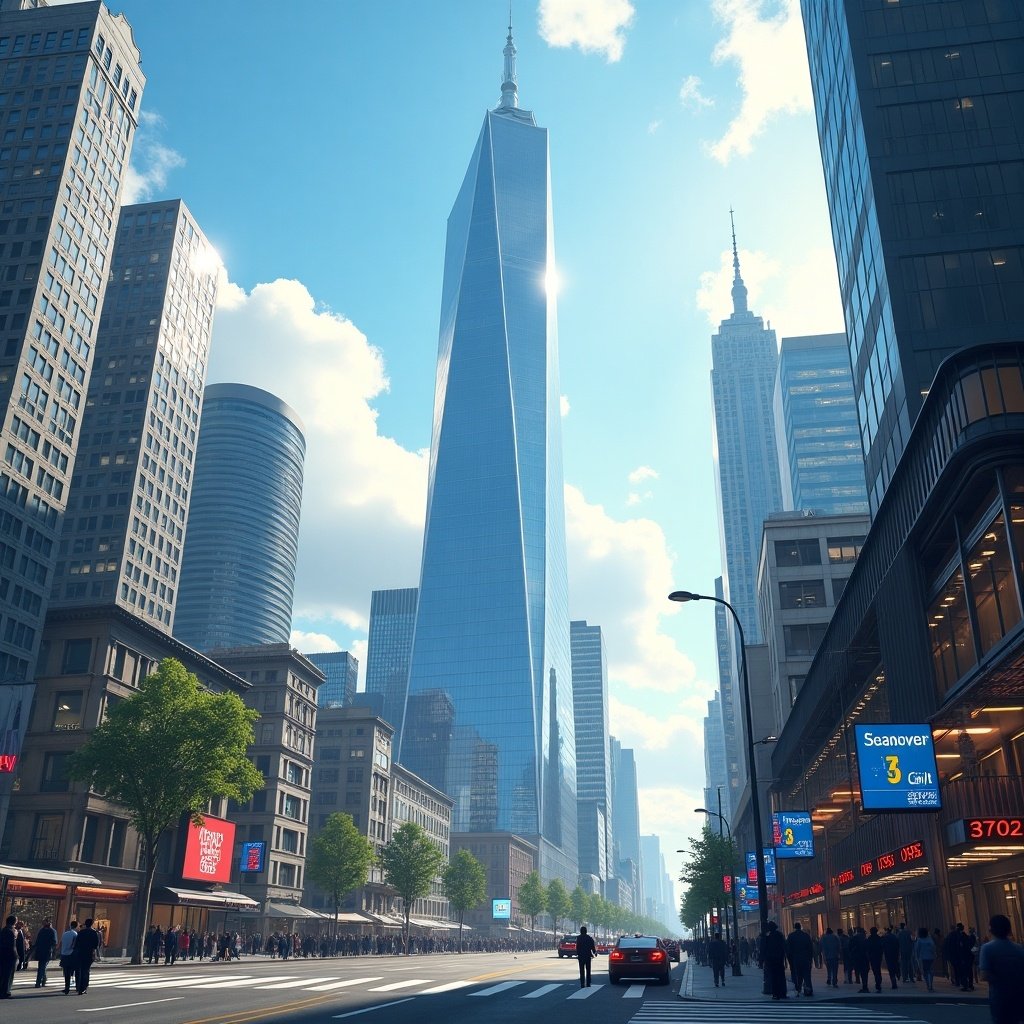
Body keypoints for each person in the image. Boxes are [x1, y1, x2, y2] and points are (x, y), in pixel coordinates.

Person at [979, 913, 1024, 1024]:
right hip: (1019, 995)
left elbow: (984, 975)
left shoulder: (987, 948)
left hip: (999, 996)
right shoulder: (1019, 948)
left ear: (991, 929)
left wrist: (1000, 978)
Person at [72, 918, 101, 995]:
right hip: (89, 953)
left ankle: (78, 986)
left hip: (80, 953)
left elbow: (76, 943)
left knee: (79, 970)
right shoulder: (94, 933)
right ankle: (84, 987)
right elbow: (96, 945)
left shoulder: (81, 932)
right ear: (92, 924)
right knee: (86, 970)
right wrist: (96, 954)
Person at [786, 921, 814, 996]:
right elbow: (810, 948)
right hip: (805, 958)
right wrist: (810, 959)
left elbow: (788, 949)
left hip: (796, 958)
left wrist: (789, 960)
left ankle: (798, 989)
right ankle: (808, 990)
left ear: (794, 927)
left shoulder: (791, 936)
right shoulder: (806, 936)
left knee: (798, 975)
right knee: (807, 975)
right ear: (800, 927)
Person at [762, 922, 788, 1000]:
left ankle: (775, 993)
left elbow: (765, 949)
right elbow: (784, 947)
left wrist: (765, 959)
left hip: (772, 960)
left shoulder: (768, 937)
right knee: (781, 977)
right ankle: (782, 993)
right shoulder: (779, 935)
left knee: (774, 977)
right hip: (779, 959)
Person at [32, 917, 58, 988]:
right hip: (46, 951)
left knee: (42, 966)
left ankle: (40, 981)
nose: (42, 923)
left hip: (43, 951)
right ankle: (41, 980)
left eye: (44, 922)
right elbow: (54, 942)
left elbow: (38, 941)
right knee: (42, 966)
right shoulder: (51, 931)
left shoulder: (43, 930)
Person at [914, 926, 937, 993]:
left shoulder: (919, 940)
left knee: (925, 972)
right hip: (930, 957)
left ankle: (928, 985)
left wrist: (917, 957)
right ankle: (931, 985)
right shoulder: (929, 939)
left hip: (923, 957)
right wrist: (934, 954)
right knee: (930, 970)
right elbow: (933, 947)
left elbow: (917, 949)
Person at [0, 915, 18, 999]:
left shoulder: (3, 930)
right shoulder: (11, 931)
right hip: (10, 956)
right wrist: (16, 956)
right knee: (9, 974)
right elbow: (12, 946)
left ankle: (3, 990)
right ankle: (5, 991)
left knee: (3, 974)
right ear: (14, 922)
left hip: (3, 955)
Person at [59, 919, 79, 995]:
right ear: (76, 926)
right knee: (73, 971)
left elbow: (61, 943)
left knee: (66, 972)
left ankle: (66, 987)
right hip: (71, 955)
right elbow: (74, 945)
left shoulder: (65, 934)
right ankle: (75, 986)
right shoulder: (75, 934)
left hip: (64, 954)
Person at [866, 926, 884, 992]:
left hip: (872, 957)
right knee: (878, 969)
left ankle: (878, 982)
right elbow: (881, 947)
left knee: (875, 970)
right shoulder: (879, 938)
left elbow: (868, 948)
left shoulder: (869, 939)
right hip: (878, 956)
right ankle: (879, 981)